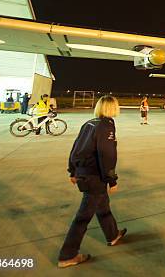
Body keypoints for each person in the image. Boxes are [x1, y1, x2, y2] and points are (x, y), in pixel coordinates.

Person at [58, 96, 126, 268]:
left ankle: (112, 235)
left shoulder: (89, 123)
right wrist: (112, 179)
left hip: (84, 173)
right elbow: (107, 155)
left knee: (103, 207)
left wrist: (72, 170)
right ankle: (67, 255)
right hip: (94, 177)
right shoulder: (106, 126)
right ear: (112, 108)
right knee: (83, 217)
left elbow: (75, 149)